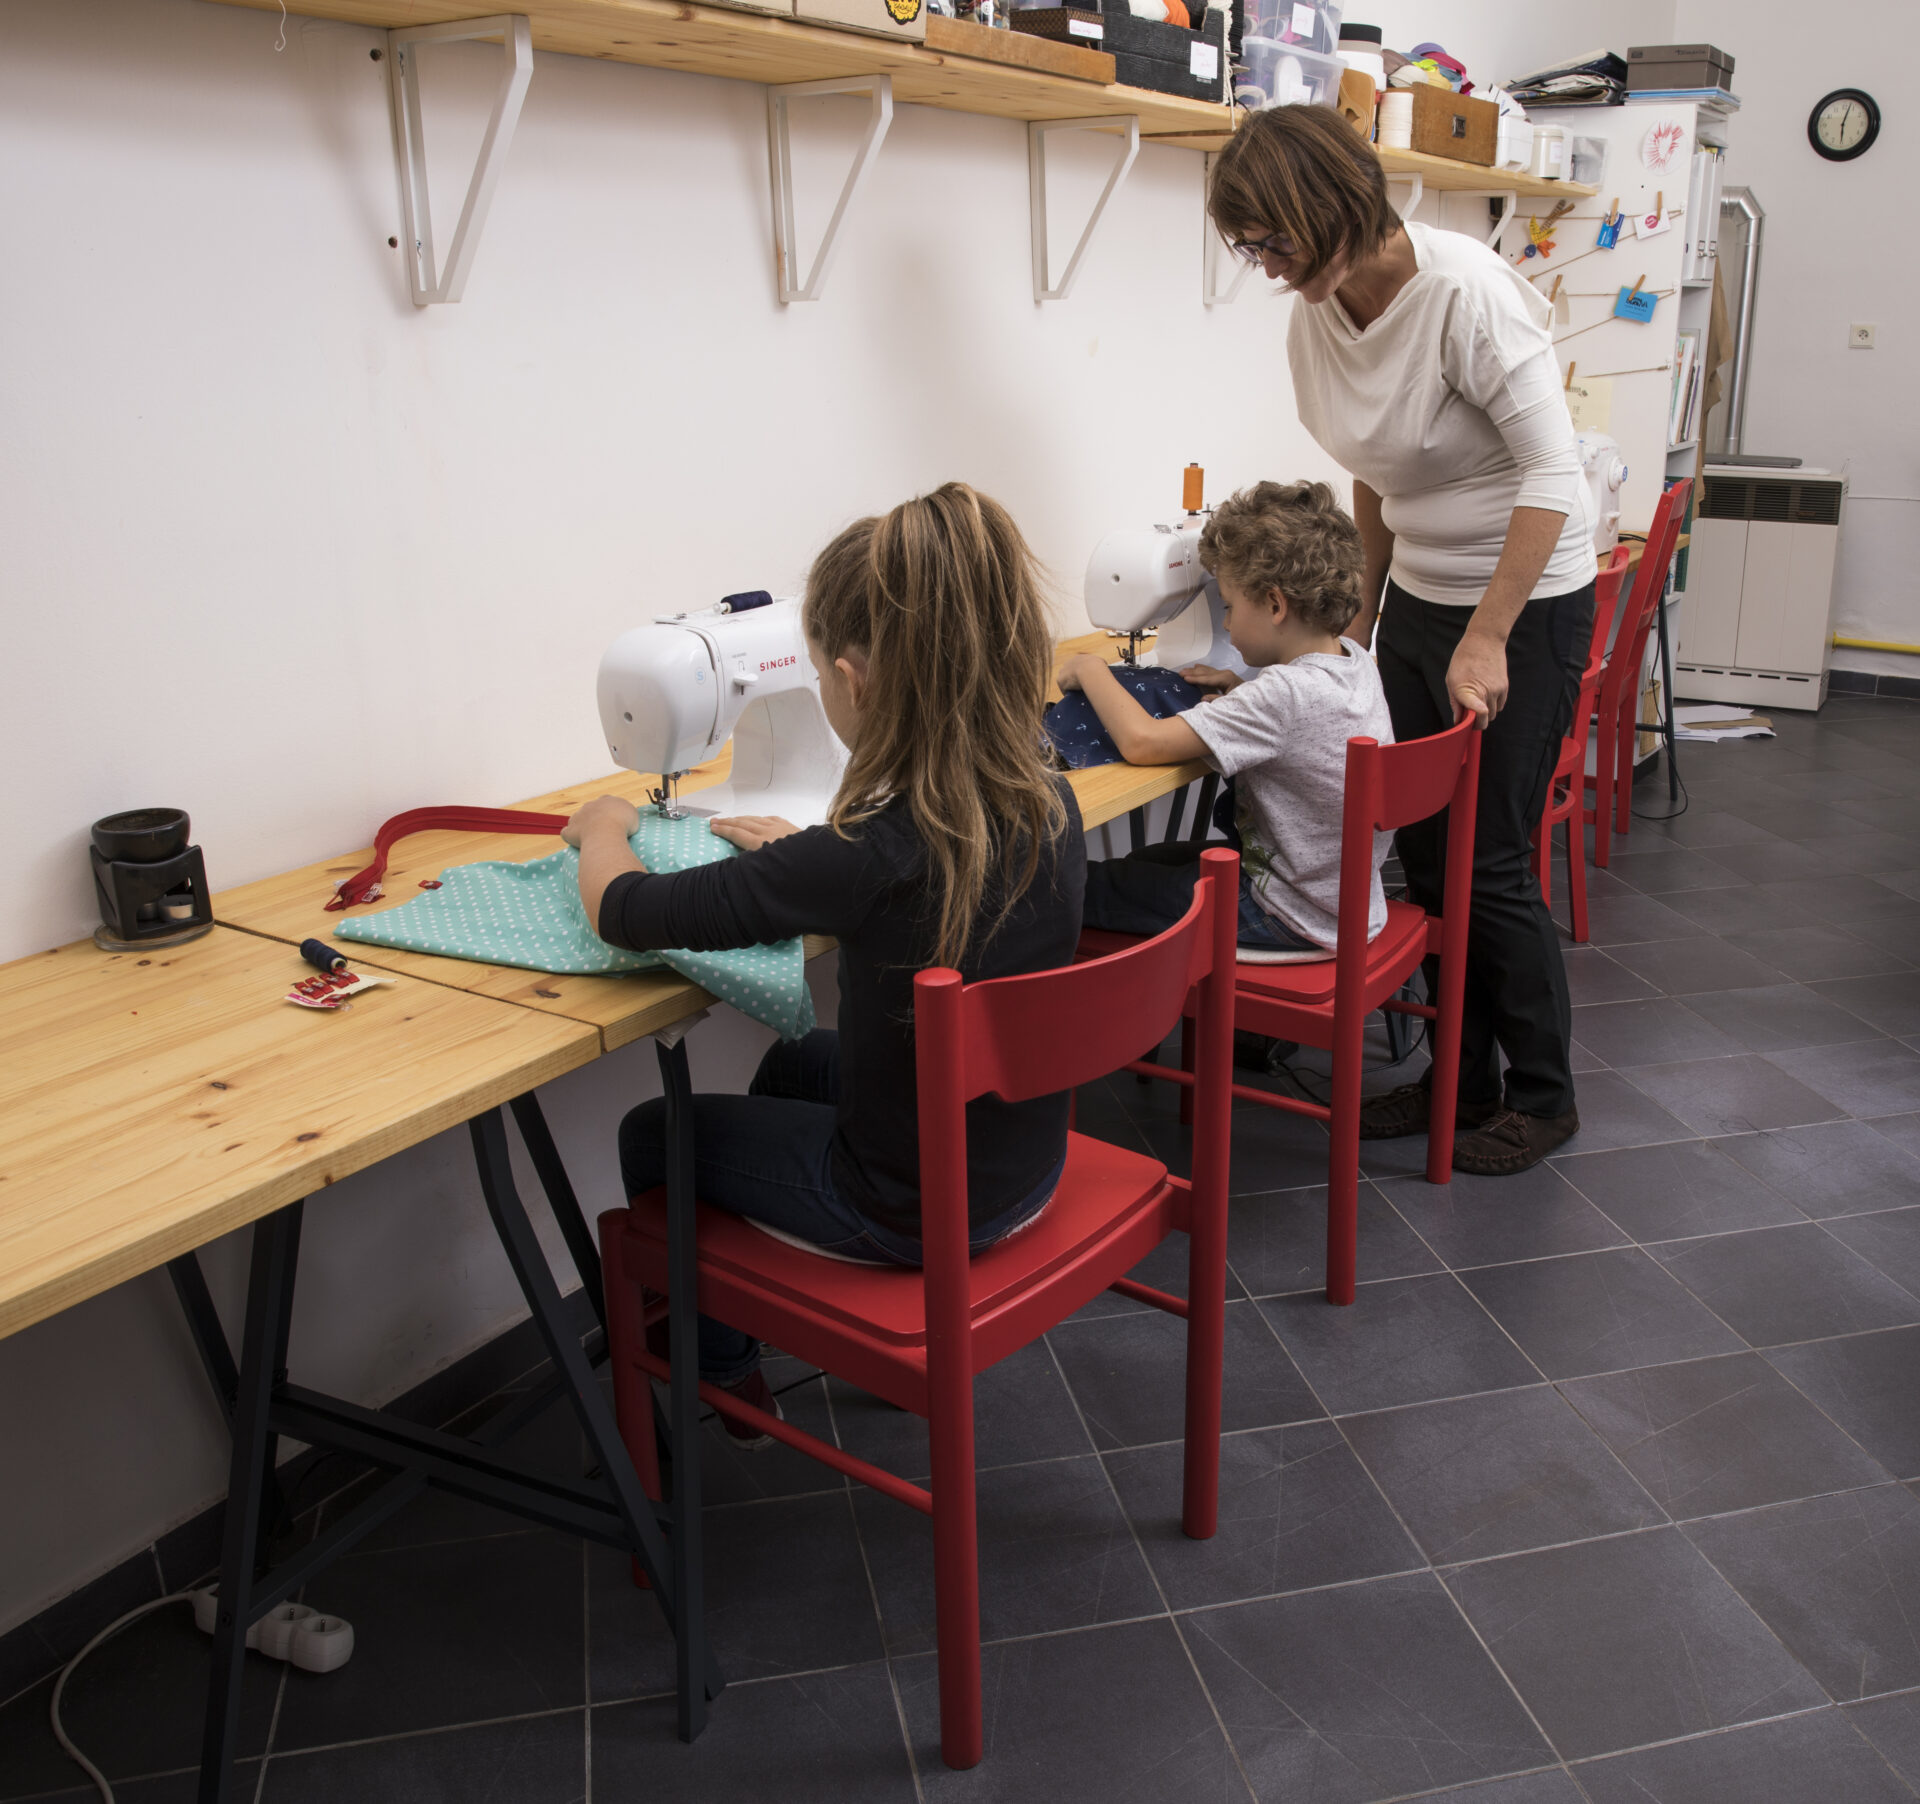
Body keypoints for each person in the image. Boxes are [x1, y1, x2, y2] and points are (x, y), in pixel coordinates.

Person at [564, 484, 1085, 1442]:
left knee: (653, 1135)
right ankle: (754, 1307)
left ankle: (725, 1377)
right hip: (1025, 1164)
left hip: (914, 1213)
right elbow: (880, 885)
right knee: (793, 1063)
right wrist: (802, 862)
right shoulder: (1045, 794)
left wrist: (602, 828)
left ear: (854, 681)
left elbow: (626, 913)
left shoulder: (865, 854)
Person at [1205, 105, 1597, 1176]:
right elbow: (1373, 469)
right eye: (1251, 247)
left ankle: (1545, 1097)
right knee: (1424, 856)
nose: (1267, 266)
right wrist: (1358, 618)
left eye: (1274, 240)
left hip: (1525, 603)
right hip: (1422, 593)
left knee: (1492, 862)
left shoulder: (1465, 294)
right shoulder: (1318, 316)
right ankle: (1457, 1086)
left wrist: (1490, 635)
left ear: (1331, 206)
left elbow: (1553, 472)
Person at [1058, 479, 1392, 957]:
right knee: (1150, 861)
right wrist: (1239, 690)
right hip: (1341, 900)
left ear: (1275, 604)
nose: (1227, 622)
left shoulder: (1281, 695)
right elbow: (1300, 725)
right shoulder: (1354, 662)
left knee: (1086, 888)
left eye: (1230, 606)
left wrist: (1091, 668)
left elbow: (1142, 742)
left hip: (1284, 912)